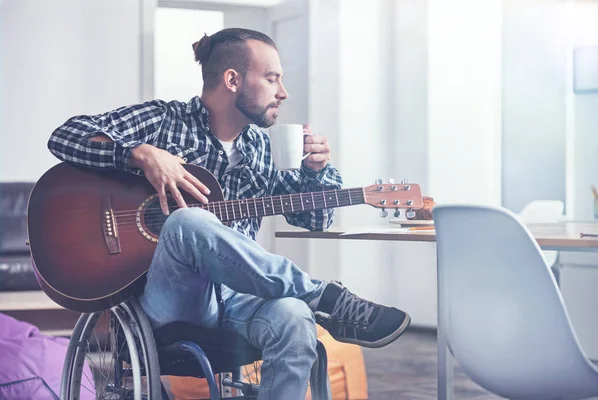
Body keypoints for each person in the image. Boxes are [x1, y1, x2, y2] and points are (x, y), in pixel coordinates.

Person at [48, 28, 412, 400]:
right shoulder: (164, 122)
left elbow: (315, 220)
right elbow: (65, 136)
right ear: (233, 80)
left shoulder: (260, 149)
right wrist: (140, 154)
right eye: (272, 79)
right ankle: (326, 298)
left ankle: (312, 302)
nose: (282, 93)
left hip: (237, 300)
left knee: (293, 316)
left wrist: (316, 172)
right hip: (167, 299)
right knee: (188, 220)